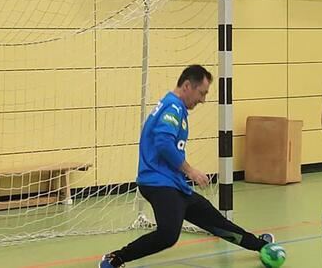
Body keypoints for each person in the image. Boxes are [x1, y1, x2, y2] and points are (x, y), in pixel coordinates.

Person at [99, 66, 281, 267]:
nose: (203, 100)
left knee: (216, 222)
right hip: (159, 183)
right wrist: (190, 170)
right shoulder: (173, 108)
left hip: (174, 185)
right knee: (168, 234)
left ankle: (261, 245)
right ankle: (116, 258)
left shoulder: (173, 106)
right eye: (202, 93)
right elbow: (163, 143)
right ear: (187, 86)